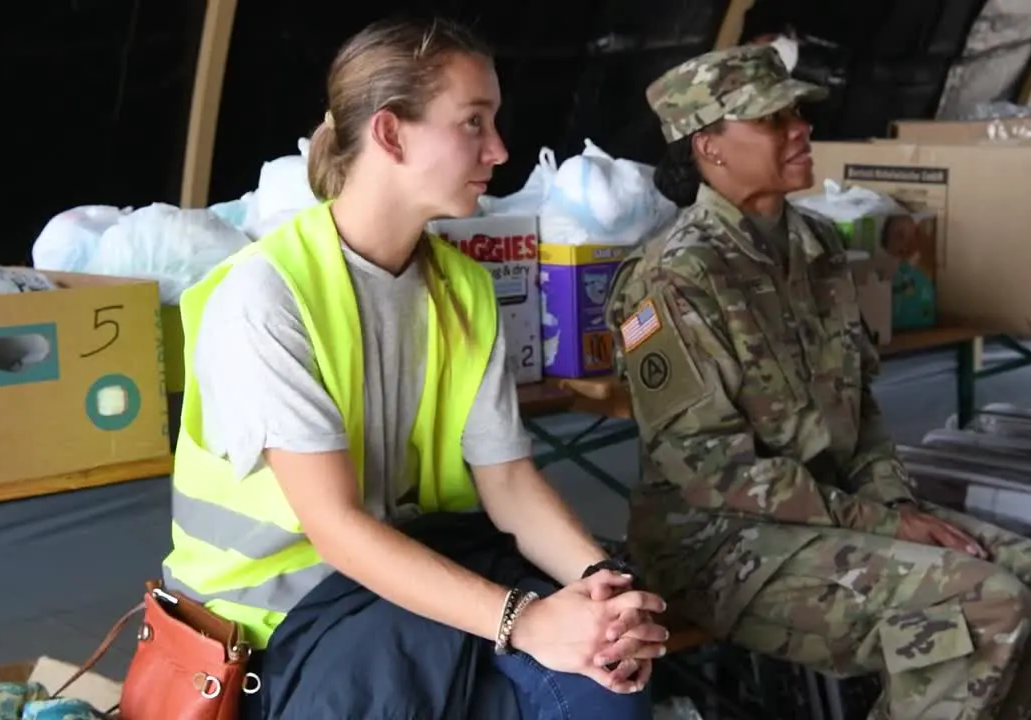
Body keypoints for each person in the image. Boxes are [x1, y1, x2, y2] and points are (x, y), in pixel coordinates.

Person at [160, 18, 667, 720]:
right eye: (473, 123)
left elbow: (511, 482)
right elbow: (335, 527)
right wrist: (527, 620)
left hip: (415, 569)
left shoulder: (464, 288)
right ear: (392, 135)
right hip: (278, 620)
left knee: (605, 688)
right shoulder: (266, 296)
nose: (499, 149)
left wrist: (599, 585)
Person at [605, 44, 1031, 720]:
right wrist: (884, 521)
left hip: (827, 516)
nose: (800, 129)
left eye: (797, 113)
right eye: (772, 119)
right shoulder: (673, 278)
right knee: (982, 601)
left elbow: (860, 412)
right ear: (708, 146)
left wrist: (891, 505)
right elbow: (711, 472)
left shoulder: (817, 247)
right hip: (716, 544)